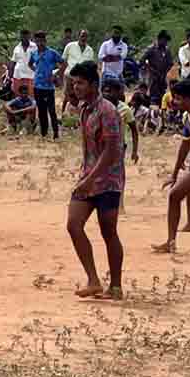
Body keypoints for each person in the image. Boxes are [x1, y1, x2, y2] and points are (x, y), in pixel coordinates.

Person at [66, 60, 125, 301]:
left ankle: (116, 286)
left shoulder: (108, 111)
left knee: (108, 232)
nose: (76, 87)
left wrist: (91, 178)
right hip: (88, 177)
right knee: (73, 224)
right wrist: (86, 177)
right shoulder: (84, 109)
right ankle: (93, 280)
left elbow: (112, 151)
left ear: (92, 84)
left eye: (80, 83)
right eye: (74, 83)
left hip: (108, 180)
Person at [152, 80, 190, 254]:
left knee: (175, 195)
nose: (174, 102)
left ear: (189, 99)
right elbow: (184, 146)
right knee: (174, 195)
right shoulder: (188, 117)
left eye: (178, 98)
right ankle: (171, 242)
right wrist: (174, 173)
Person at [29, 31, 66, 139]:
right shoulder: (34, 53)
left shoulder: (52, 53)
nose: (40, 43)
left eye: (42, 41)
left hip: (49, 87)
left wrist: (56, 74)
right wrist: (36, 71)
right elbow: (30, 64)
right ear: (35, 41)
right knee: (41, 110)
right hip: (37, 86)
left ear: (45, 41)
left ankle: (55, 133)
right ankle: (43, 133)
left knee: (52, 110)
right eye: (38, 41)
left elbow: (64, 63)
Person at [102, 78, 139, 164]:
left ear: (118, 92)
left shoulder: (125, 109)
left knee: (116, 170)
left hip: (119, 146)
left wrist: (134, 151)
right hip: (102, 145)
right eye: (105, 91)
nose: (107, 94)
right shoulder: (99, 107)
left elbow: (134, 130)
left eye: (110, 91)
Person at [60, 29, 94, 114]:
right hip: (69, 75)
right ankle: (63, 114)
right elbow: (64, 61)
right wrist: (60, 75)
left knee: (81, 96)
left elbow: (90, 66)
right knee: (67, 96)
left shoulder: (90, 50)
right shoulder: (70, 46)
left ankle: (80, 114)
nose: (84, 38)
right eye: (82, 35)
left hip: (82, 78)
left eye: (86, 36)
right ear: (78, 36)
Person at [141, 30, 174, 109]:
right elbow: (142, 60)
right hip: (153, 77)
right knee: (153, 97)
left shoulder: (167, 50)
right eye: (164, 40)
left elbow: (170, 63)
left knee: (162, 97)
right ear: (160, 39)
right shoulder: (152, 49)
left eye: (167, 41)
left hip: (162, 77)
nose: (166, 42)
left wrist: (165, 72)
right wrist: (150, 69)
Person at [8, 29, 37, 96]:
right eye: (22, 36)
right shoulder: (17, 47)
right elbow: (13, 62)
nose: (24, 38)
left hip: (31, 75)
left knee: (31, 95)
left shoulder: (35, 47)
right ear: (20, 36)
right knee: (17, 95)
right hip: (18, 75)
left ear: (29, 36)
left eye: (26, 36)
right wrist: (10, 76)